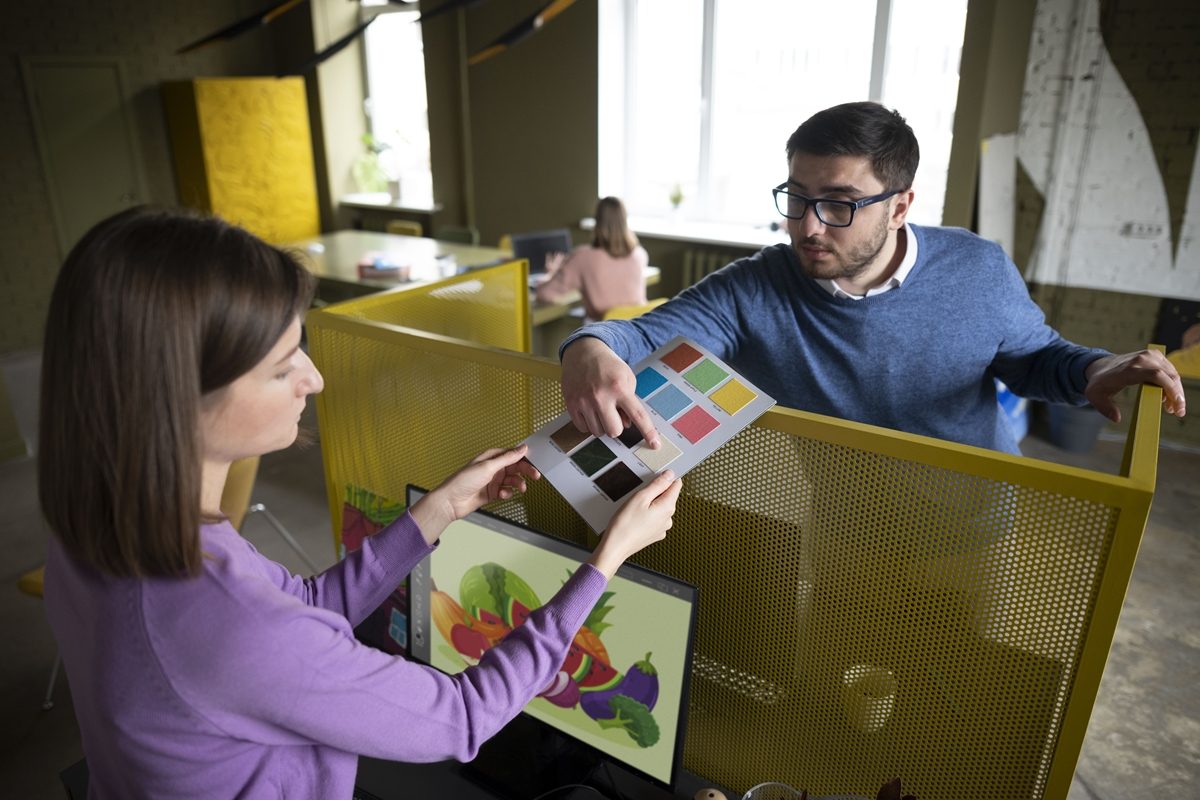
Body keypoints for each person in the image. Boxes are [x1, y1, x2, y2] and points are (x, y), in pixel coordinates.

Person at [38, 207, 683, 798]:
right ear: (176, 395)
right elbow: (460, 718)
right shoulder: (221, 618)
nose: (313, 380)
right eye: (284, 364)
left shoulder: (100, 526)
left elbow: (305, 610)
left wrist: (439, 510)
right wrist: (607, 561)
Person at [557, 102, 1186, 454]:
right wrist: (589, 346)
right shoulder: (757, 286)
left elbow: (1035, 359)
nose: (807, 227)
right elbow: (642, 333)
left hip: (970, 520)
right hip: (840, 525)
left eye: (838, 203)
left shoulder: (978, 267)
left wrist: (1092, 370)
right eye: (796, 198)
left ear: (900, 206)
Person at [535, 196, 649, 321]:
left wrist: (550, 274)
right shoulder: (639, 254)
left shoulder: (583, 257)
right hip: (637, 332)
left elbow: (544, 294)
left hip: (601, 336)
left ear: (597, 222)